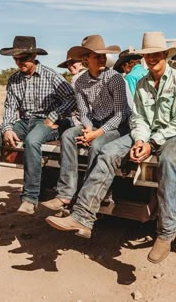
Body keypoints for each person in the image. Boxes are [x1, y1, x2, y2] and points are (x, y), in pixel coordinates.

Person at [45, 32, 176, 265]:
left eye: (156, 54)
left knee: (168, 160)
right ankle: (83, 217)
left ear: (165, 55)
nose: (152, 58)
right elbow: (138, 119)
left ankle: (166, 233)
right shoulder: (141, 83)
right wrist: (139, 140)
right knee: (108, 152)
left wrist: (150, 144)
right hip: (147, 134)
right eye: (148, 55)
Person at [0, 36, 76, 215]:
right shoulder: (14, 79)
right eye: (16, 58)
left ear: (34, 56)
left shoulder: (51, 75)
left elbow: (71, 98)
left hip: (46, 121)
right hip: (23, 121)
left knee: (32, 141)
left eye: (23, 58)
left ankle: (30, 198)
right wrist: (7, 128)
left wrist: (53, 117)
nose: (19, 62)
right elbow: (10, 107)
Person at [41, 35, 131, 211]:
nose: (102, 59)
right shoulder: (80, 81)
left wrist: (95, 134)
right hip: (95, 123)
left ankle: (90, 194)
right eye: (97, 56)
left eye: (103, 55)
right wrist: (88, 128)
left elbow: (121, 114)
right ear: (86, 60)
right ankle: (65, 193)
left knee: (97, 144)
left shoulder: (115, 78)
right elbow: (84, 111)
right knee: (67, 135)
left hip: (117, 125)